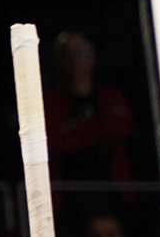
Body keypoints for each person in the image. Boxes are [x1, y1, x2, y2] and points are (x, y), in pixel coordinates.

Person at [43, 32, 135, 184]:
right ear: (63, 61)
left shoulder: (111, 97)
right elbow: (53, 141)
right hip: (69, 188)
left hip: (113, 187)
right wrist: (101, 127)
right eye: (73, 53)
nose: (80, 58)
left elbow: (122, 129)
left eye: (84, 50)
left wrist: (75, 129)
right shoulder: (52, 103)